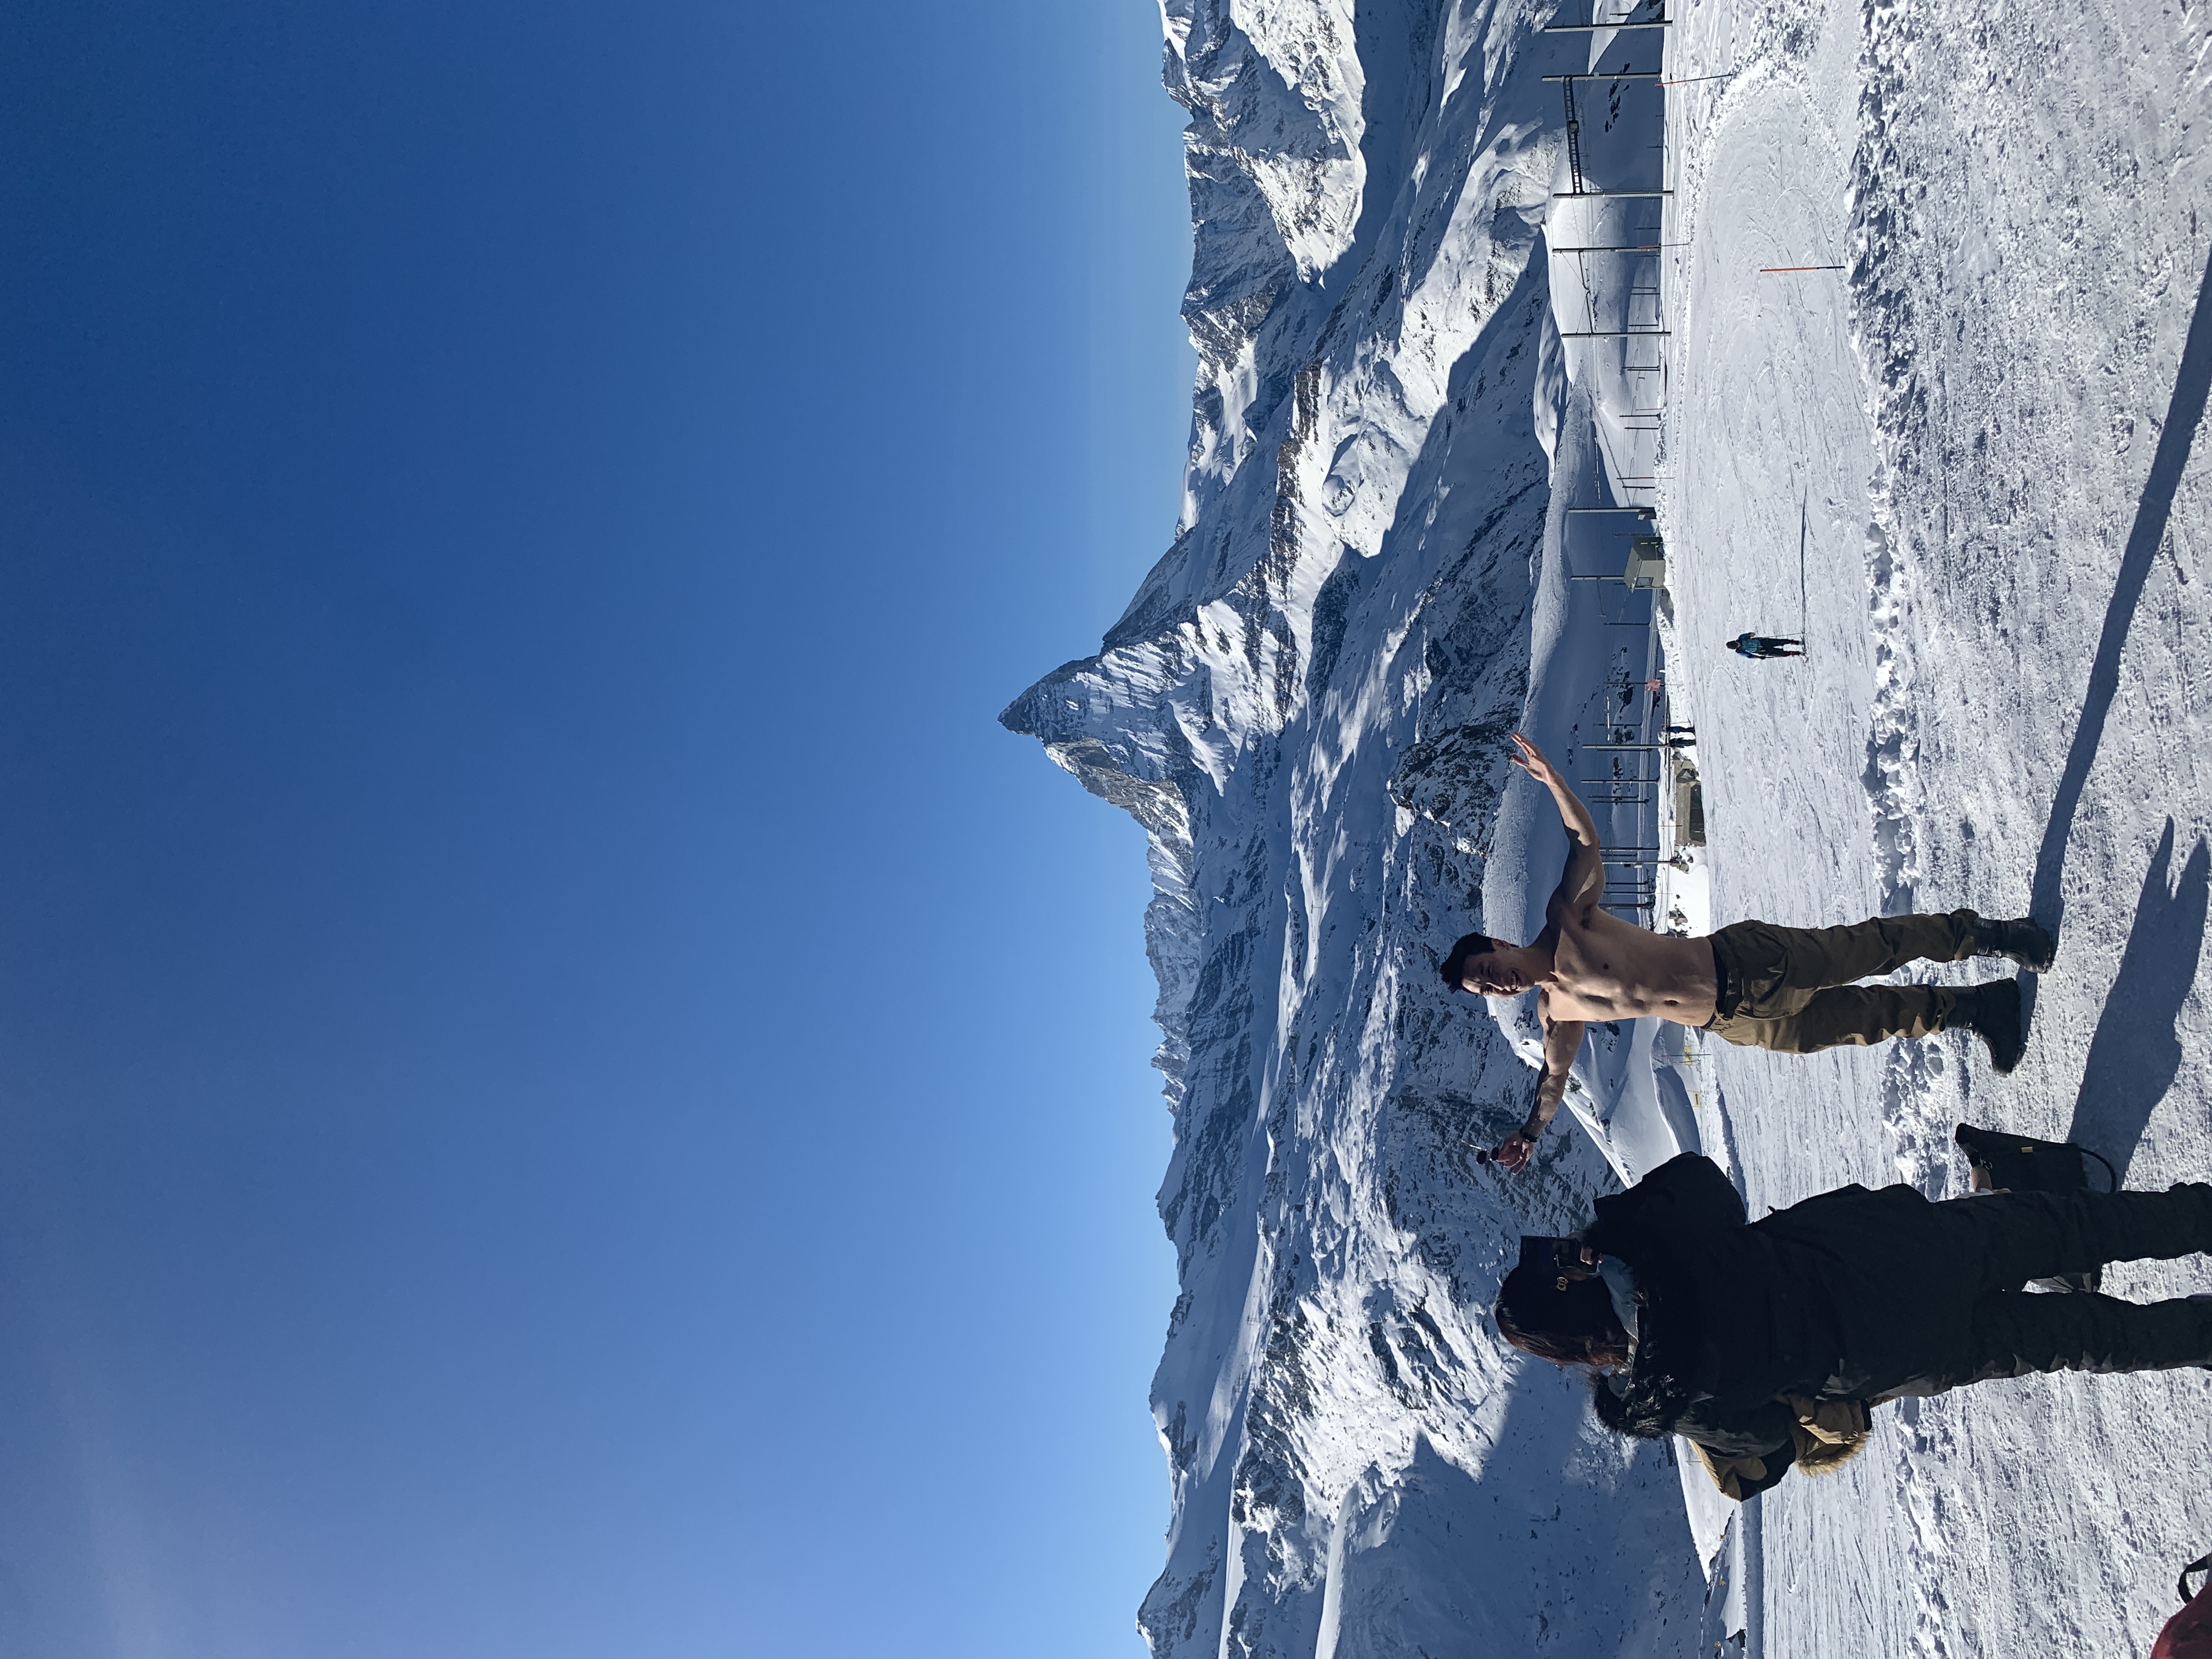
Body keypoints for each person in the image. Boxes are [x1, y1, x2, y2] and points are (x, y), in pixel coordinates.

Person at [1442, 735, 2052, 1169]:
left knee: (1871, 949)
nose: (1497, 984)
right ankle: (1977, 1009)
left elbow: (1585, 842)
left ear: (1498, 946)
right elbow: (1554, 1078)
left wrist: (1556, 784)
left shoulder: (1565, 922)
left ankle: (1995, 936)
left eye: (1488, 971)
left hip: (1743, 962)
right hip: (1733, 1022)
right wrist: (1529, 1132)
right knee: (1865, 1021)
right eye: (1487, 990)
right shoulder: (1558, 1015)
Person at [1495, 1152, 2212, 1499]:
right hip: (1888, 1247)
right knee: (2073, 1228)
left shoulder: (1671, 1396)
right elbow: (1709, 1183)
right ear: (1569, 1266)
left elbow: (1770, 1439)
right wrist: (1619, 1227)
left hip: (1895, 1352)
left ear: (1575, 1349)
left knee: (2075, 1338)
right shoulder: (1660, 1238)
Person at [1728, 632, 1803, 658]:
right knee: (1781, 653)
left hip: (1763, 642)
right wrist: (1759, 657)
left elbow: (1752, 634)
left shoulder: (1741, 638)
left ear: (1735, 641)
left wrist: (1750, 635)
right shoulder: (1739, 651)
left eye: (1737, 644)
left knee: (1780, 642)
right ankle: (1798, 654)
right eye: (1736, 646)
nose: (1738, 645)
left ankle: (1797, 643)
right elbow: (1750, 656)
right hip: (1762, 651)